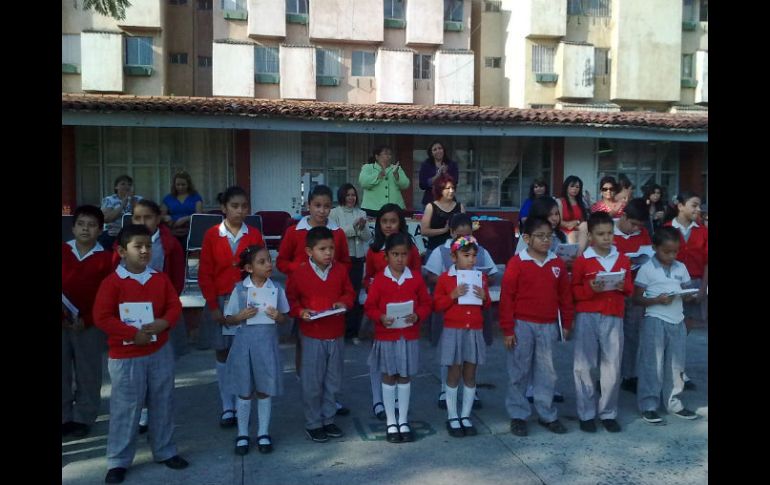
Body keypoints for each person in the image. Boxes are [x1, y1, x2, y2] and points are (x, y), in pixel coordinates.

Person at [93, 224, 188, 484]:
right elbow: (102, 316)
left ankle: (165, 450)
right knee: (126, 407)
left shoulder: (159, 278)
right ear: (122, 251)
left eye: (148, 245)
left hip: (159, 350)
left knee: (162, 401)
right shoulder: (113, 282)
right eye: (138, 246)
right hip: (126, 355)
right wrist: (131, 333)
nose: (145, 250)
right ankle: (118, 460)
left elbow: (173, 305)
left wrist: (164, 323)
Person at [277, 184, 352, 416]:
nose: (322, 211)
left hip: (329, 298)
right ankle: (310, 392)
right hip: (303, 297)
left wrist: (338, 289)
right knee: (306, 346)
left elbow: (345, 263)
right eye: (317, 206)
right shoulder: (294, 231)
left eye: (327, 206)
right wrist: (299, 268)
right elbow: (281, 262)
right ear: (308, 205)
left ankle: (330, 398)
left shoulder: (337, 233)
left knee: (332, 356)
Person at [499, 216, 574, 437]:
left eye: (549, 236)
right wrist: (508, 329)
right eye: (540, 236)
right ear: (527, 238)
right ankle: (518, 414)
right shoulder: (517, 263)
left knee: (547, 372)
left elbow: (565, 297)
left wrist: (567, 323)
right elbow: (507, 298)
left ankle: (546, 413)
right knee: (519, 371)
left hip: (548, 325)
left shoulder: (556, 264)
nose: (545, 241)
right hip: (522, 325)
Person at [117, 199, 187, 435]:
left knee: (160, 371)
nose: (142, 222)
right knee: (136, 370)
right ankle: (142, 413)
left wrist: (165, 312)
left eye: (147, 217)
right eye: (137, 217)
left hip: (161, 315)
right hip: (131, 318)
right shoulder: (124, 244)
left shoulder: (170, 244)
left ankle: (158, 415)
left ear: (158, 219)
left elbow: (177, 280)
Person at [198, 186, 265, 429]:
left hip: (248, 301)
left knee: (244, 353)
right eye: (234, 206)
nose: (240, 211)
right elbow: (205, 272)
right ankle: (227, 406)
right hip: (222, 301)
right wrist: (213, 305)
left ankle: (242, 401)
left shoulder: (254, 234)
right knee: (223, 352)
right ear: (224, 208)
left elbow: (262, 267)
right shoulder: (212, 235)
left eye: (244, 206)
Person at [286, 226, 356, 443]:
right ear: (309, 251)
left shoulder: (340, 271)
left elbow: (349, 292)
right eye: (322, 249)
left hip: (335, 333)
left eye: (331, 248)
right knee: (312, 382)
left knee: (333, 381)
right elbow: (291, 300)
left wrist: (344, 302)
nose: (328, 253)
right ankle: (313, 423)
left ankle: (329, 419)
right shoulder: (299, 273)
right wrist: (300, 312)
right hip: (312, 335)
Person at [364, 233, 432, 443]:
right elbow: (369, 306)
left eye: (404, 254)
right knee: (388, 375)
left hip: (408, 335)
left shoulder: (415, 278)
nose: (400, 259)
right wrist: (380, 317)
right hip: (386, 336)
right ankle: (391, 421)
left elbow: (426, 303)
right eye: (395, 254)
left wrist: (418, 315)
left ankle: (403, 419)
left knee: (404, 376)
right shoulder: (380, 280)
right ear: (386, 256)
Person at [424, 213, 496, 409]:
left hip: (473, 319)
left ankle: (469, 399)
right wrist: (452, 288)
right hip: (451, 318)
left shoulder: (479, 252)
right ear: (452, 232)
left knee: (470, 361)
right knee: (450, 358)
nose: (471, 258)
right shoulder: (442, 252)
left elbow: (491, 276)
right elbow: (431, 277)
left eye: (468, 233)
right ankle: (444, 392)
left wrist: (483, 290)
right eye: (459, 234)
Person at [570, 211, 633, 433]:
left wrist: (621, 286)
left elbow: (630, 288)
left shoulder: (622, 258)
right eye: (601, 234)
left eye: (609, 233)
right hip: (588, 315)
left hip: (613, 316)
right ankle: (586, 413)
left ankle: (608, 412)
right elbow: (574, 290)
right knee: (584, 366)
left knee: (612, 366)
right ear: (591, 236)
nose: (607, 238)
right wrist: (590, 289)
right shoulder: (583, 260)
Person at [223, 245, 290, 455]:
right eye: (262, 262)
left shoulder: (276, 289)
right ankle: (242, 433)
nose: (269, 264)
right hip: (244, 347)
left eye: (269, 260)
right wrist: (239, 317)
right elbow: (228, 319)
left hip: (267, 347)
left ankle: (263, 432)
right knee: (244, 391)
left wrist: (278, 317)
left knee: (264, 390)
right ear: (249, 268)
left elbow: (285, 318)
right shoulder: (240, 289)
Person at [633, 226, 700, 424]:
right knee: (651, 364)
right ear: (654, 248)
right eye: (666, 251)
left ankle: (674, 402)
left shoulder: (681, 267)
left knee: (676, 364)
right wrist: (656, 300)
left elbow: (687, 290)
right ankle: (649, 404)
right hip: (654, 319)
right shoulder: (647, 268)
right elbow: (636, 298)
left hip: (677, 320)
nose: (671, 255)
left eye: (675, 251)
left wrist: (689, 296)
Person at [363, 203, 422, 420]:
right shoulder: (374, 249)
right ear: (378, 224)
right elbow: (367, 276)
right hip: (380, 312)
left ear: (401, 223)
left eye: (393, 221)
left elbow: (416, 276)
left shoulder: (410, 249)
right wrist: (374, 287)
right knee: (379, 357)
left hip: (405, 313)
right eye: (384, 221)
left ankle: (398, 400)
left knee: (402, 359)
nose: (388, 225)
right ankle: (379, 399)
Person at [62, 205, 115, 439]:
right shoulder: (63, 251)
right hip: (62, 323)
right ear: (73, 227)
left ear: (100, 230)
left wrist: (89, 319)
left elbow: (108, 297)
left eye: (92, 225)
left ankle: (83, 417)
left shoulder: (107, 258)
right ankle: (64, 416)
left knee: (88, 372)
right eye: (81, 224)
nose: (86, 229)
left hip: (89, 325)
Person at [433, 236, 491, 438]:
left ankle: (466, 416)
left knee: (470, 373)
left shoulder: (480, 277)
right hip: (453, 330)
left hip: (473, 330)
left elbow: (487, 304)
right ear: (454, 256)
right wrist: (452, 295)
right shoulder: (445, 278)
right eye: (466, 255)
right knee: (454, 373)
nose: (471, 260)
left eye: (474, 255)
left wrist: (484, 297)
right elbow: (438, 305)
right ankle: (452, 415)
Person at [664, 192, 708, 390]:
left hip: (695, 281)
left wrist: (703, 288)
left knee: (685, 329)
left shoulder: (702, 231)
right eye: (694, 205)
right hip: (672, 284)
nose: (698, 209)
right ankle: (669, 369)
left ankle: (679, 370)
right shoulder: (667, 229)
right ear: (680, 206)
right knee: (670, 329)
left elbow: (707, 262)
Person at [612, 198, 652, 394]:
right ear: (624, 216)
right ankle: (607, 376)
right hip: (613, 291)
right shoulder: (607, 231)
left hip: (635, 289)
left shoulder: (642, 233)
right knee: (611, 335)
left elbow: (649, 255)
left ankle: (629, 374)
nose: (635, 229)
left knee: (633, 332)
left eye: (639, 226)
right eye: (633, 224)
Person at [329, 184, 372, 343]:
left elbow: (367, 237)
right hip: (341, 259)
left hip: (357, 259)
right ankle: (339, 330)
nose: (351, 198)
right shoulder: (334, 213)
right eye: (348, 195)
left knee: (353, 295)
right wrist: (354, 227)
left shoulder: (361, 213)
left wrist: (361, 229)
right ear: (342, 196)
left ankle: (352, 332)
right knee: (339, 294)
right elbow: (337, 233)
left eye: (353, 195)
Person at [359, 146, 410, 216]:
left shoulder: (396, 168)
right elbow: (363, 183)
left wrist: (396, 175)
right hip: (372, 208)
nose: (389, 156)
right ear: (377, 156)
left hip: (394, 208)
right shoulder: (368, 167)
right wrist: (378, 176)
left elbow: (406, 185)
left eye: (390, 154)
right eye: (386, 154)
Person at [421, 174, 466, 252]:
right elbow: (424, 231)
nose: (451, 191)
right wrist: (444, 230)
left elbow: (465, 229)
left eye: (453, 188)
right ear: (440, 190)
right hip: (434, 250)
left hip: (456, 251)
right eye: (448, 188)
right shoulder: (431, 207)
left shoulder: (460, 206)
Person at [160, 171, 204, 249]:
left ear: (188, 184)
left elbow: (199, 216)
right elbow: (161, 215)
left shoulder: (196, 197)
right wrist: (166, 217)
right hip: (173, 229)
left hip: (190, 231)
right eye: (178, 185)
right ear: (174, 185)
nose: (180, 187)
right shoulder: (168, 198)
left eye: (183, 185)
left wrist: (185, 219)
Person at [100, 174, 142, 248]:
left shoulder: (139, 199)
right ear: (116, 187)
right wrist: (122, 205)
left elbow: (141, 218)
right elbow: (106, 219)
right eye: (123, 184)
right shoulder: (109, 200)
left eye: (129, 184)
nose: (127, 186)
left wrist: (132, 202)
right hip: (112, 233)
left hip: (132, 233)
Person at [418, 140, 460, 206]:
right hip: (430, 201)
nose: (438, 151)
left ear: (443, 150)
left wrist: (445, 173)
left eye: (440, 148)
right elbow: (422, 185)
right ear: (431, 153)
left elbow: (454, 183)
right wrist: (437, 175)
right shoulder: (426, 165)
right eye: (435, 149)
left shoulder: (452, 164)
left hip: (448, 202)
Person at [557, 175, 588, 245]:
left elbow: (583, 221)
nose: (575, 189)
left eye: (577, 187)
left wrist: (576, 224)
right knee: (574, 236)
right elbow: (559, 222)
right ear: (566, 187)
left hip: (579, 229)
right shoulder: (560, 202)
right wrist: (572, 224)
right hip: (564, 231)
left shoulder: (581, 202)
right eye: (572, 186)